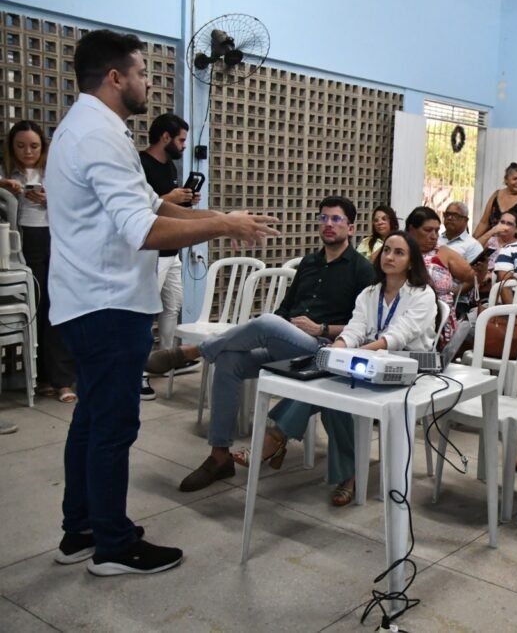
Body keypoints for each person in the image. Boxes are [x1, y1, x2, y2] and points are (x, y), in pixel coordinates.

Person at [47, 29, 278, 575]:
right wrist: (222, 225)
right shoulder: (98, 137)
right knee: (112, 426)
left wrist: (223, 221)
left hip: (89, 301)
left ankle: (80, 528)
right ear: (114, 77)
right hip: (107, 305)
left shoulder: (89, 128)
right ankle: (112, 545)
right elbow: (143, 230)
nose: (149, 82)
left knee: (91, 420)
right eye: (143, 72)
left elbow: (156, 206)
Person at [169, 196, 372, 493]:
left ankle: (196, 351)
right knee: (229, 362)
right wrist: (282, 326)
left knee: (264, 324)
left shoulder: (361, 269)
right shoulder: (309, 264)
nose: (328, 225)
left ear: (351, 228)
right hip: (290, 344)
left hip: (324, 351)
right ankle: (219, 455)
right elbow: (284, 309)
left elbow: (364, 328)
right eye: (324, 218)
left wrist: (322, 328)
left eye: (337, 219)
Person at [235, 231, 437, 506]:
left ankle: (276, 438)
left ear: (412, 262)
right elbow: (354, 329)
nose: (389, 256)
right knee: (329, 388)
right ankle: (347, 475)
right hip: (369, 363)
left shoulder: (421, 294)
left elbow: (397, 337)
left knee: (333, 381)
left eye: (399, 252)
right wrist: (338, 349)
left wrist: (349, 357)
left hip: (409, 369)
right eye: (387, 250)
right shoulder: (369, 293)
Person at [1, 120, 77, 404]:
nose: (27, 152)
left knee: (57, 308)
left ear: (43, 146)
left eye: (33, 146)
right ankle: (45, 377)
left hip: (55, 238)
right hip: (21, 242)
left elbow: (75, 203)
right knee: (37, 306)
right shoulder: (8, 171)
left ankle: (62, 380)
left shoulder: (53, 172)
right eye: (20, 146)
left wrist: (50, 200)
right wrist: (6, 186)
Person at [138, 113, 197, 400]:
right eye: (181, 139)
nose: (184, 145)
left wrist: (184, 200)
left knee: (172, 307)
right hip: (151, 251)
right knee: (144, 311)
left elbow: (167, 203)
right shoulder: (140, 165)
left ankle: (166, 360)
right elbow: (143, 208)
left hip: (173, 252)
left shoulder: (170, 166)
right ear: (165, 137)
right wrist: (170, 199)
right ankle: (139, 373)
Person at [406, 206, 474, 343]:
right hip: (407, 316)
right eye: (427, 230)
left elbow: (472, 277)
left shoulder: (443, 252)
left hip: (441, 323)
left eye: (437, 231)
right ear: (411, 229)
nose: (434, 236)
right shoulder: (398, 251)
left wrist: (481, 269)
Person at [473, 162, 517, 241]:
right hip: (491, 243)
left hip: (514, 245)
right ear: (506, 179)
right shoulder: (496, 194)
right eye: (515, 179)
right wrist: (472, 242)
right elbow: (484, 223)